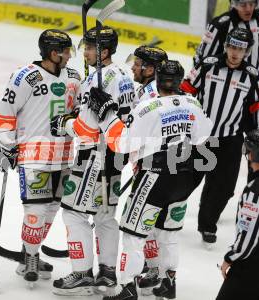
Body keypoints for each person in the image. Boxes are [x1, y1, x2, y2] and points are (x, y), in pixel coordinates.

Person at [86, 60, 213, 300]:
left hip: (154, 178)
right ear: (179, 81)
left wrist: (108, 117)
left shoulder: (148, 107)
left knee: (134, 236)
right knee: (169, 234)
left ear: (157, 79)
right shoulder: (193, 103)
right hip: (184, 178)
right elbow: (203, 136)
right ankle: (168, 282)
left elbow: (122, 143)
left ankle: (127, 288)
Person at [50, 25, 134, 296]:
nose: (83, 51)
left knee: (73, 213)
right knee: (106, 216)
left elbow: (86, 128)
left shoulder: (99, 78)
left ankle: (83, 272)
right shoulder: (123, 76)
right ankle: (107, 274)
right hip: (116, 156)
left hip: (93, 156)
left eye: (88, 47)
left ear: (104, 51)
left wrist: (66, 123)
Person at [0, 29, 80, 287]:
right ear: (54, 53)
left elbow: (81, 111)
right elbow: (5, 112)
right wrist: (7, 145)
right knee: (35, 209)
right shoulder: (25, 77)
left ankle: (29, 251)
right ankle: (31, 256)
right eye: (66, 51)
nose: (69, 56)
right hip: (33, 155)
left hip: (64, 156)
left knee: (52, 208)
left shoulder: (75, 77)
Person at [180, 27, 259, 245]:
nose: (235, 53)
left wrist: (258, 136)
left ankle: (207, 224)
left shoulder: (253, 75)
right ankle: (164, 216)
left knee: (224, 187)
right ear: (226, 45)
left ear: (247, 51)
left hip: (230, 139)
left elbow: (258, 109)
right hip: (200, 137)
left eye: (240, 49)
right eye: (232, 46)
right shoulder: (208, 65)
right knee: (184, 180)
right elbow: (185, 91)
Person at [130, 45, 171, 294]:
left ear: (151, 69)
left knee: (149, 220)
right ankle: (157, 270)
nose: (133, 67)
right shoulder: (150, 89)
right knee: (153, 219)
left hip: (154, 166)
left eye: (138, 63)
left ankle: (156, 271)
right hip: (155, 164)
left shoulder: (152, 95)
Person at [216, 128, 259, 300]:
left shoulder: (256, 190)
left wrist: (230, 258)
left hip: (254, 266)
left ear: (252, 154)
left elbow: (249, 236)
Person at [194, 0, 259, 95]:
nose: (248, 9)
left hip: (255, 88)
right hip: (221, 88)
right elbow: (202, 59)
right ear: (234, 4)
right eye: (243, 4)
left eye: (252, 4)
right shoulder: (220, 24)